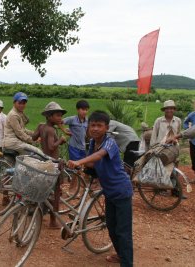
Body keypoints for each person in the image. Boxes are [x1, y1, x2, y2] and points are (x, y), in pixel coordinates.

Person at [67, 111, 133, 266]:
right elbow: (91, 163)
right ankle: (120, 254)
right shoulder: (92, 143)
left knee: (123, 231)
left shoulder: (110, 142)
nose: (95, 128)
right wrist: (74, 164)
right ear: (89, 126)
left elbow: (99, 156)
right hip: (109, 192)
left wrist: (79, 161)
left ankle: (127, 263)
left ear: (106, 127)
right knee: (111, 227)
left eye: (99, 125)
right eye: (93, 125)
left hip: (121, 191)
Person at [32, 102, 67, 228]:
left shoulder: (42, 127)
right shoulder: (51, 130)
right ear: (49, 116)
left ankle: (39, 214)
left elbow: (34, 137)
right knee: (55, 192)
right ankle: (53, 221)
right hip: (52, 163)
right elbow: (52, 146)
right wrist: (61, 140)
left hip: (43, 161)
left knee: (42, 189)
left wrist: (38, 128)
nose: (60, 118)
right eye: (57, 115)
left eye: (60, 116)